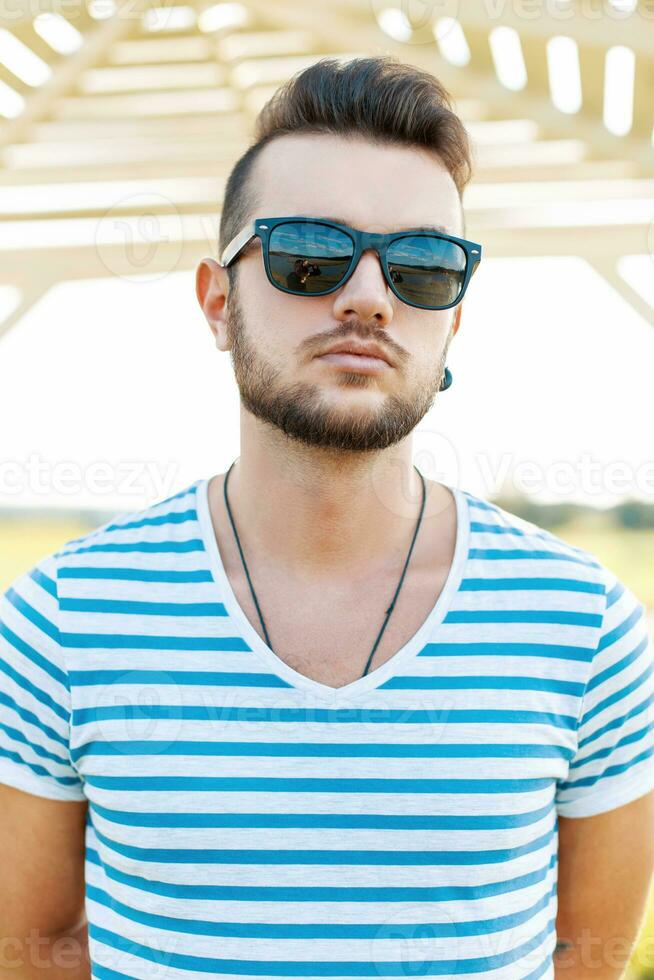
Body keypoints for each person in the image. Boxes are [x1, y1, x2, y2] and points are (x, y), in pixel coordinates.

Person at [2, 55, 654, 980]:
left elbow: (584, 958)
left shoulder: (586, 627)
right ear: (219, 302)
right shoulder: (62, 620)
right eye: (309, 253)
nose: (367, 296)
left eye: (425, 266)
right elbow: (34, 948)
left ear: (454, 323)